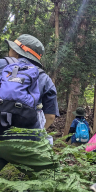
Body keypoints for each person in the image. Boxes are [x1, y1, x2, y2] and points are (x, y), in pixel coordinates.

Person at [0, 34, 60, 176]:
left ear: (16, 51)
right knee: (52, 179)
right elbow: (50, 116)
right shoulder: (44, 78)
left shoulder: (2, 65)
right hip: (27, 142)